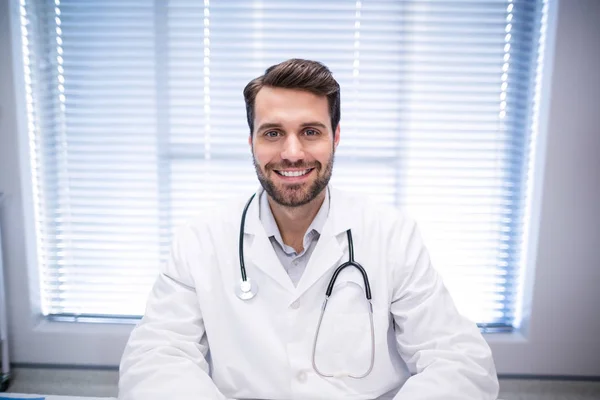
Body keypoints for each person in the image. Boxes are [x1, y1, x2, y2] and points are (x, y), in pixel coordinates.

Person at [118, 58, 499, 399]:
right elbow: (156, 360)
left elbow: (459, 361)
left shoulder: (391, 236)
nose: (293, 152)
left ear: (336, 137)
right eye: (273, 133)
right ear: (251, 141)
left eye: (311, 132)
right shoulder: (200, 241)